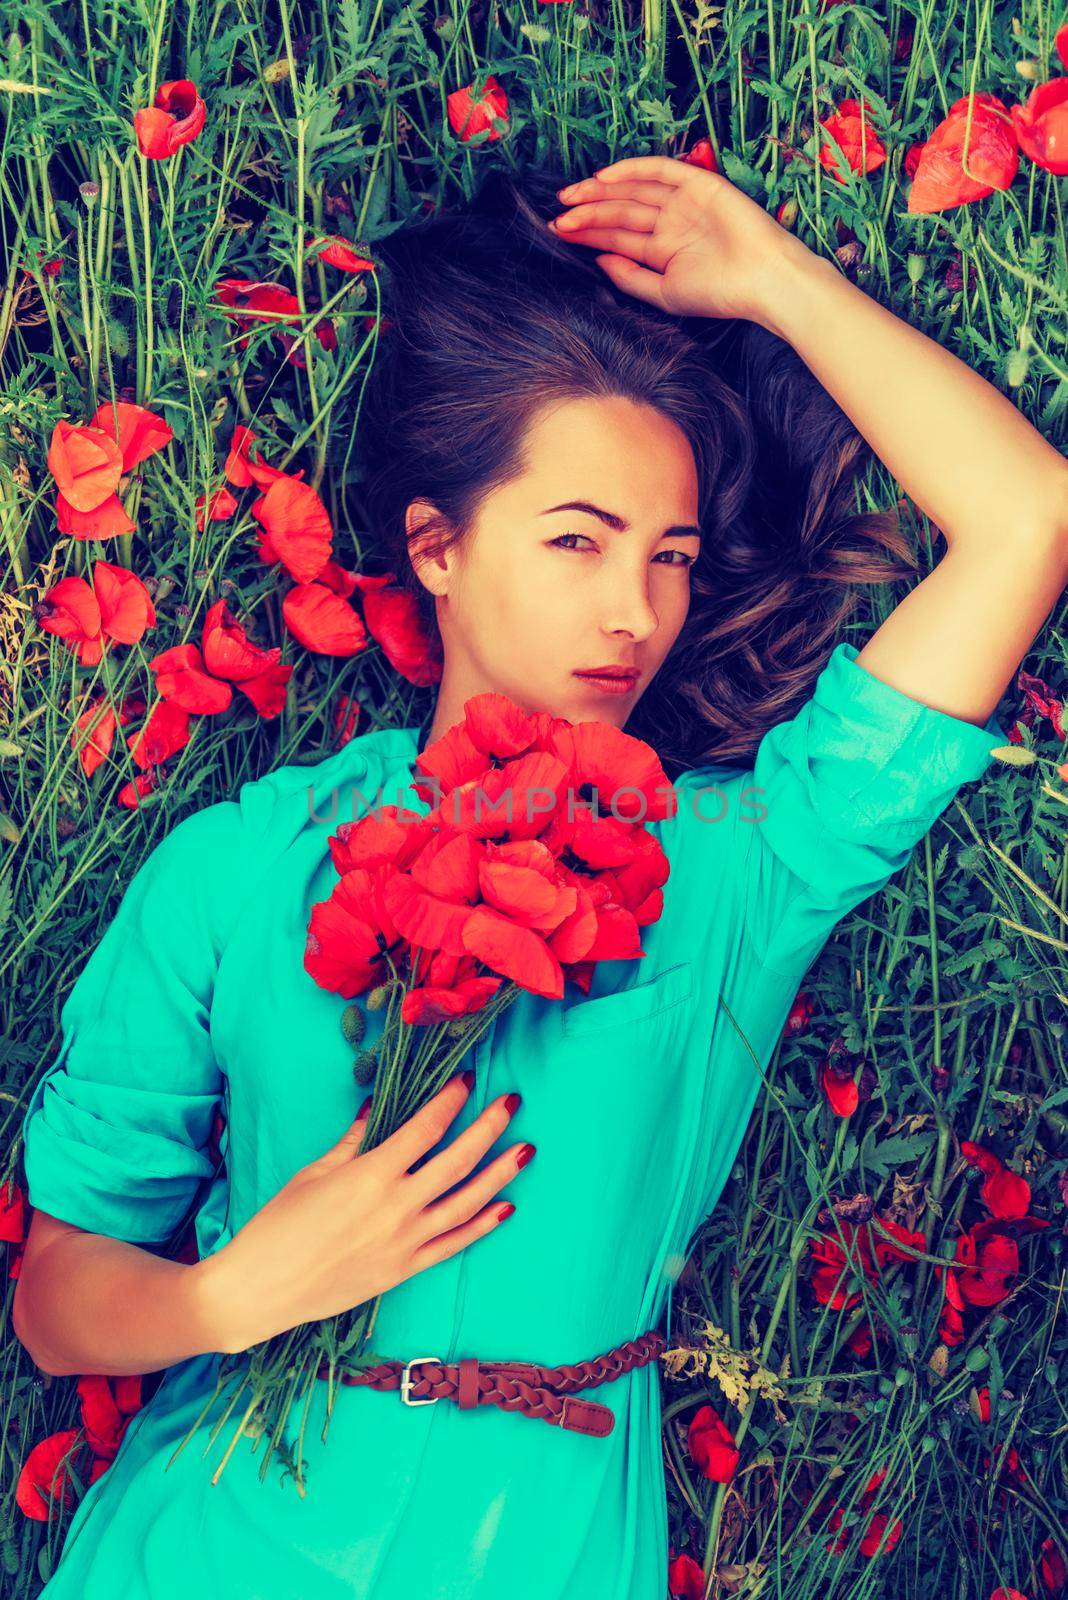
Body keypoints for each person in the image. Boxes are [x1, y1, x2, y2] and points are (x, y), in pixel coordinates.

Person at [13, 156, 1067, 1599]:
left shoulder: (738, 866)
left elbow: (1027, 520)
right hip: (210, 1548)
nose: (634, 613)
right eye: (577, 541)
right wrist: (229, 1293)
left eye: (672, 557)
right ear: (437, 548)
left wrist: (774, 281)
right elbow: (59, 1301)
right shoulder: (241, 865)